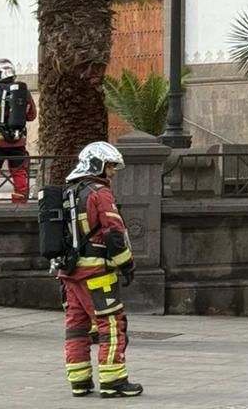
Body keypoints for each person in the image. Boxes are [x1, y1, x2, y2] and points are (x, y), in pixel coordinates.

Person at [58, 142, 142, 398]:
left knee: (76, 326)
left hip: (69, 273)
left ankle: (79, 381)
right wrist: (127, 264)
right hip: (97, 274)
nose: (113, 172)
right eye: (110, 166)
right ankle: (113, 380)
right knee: (112, 325)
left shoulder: (69, 192)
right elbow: (114, 233)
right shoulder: (99, 193)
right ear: (97, 165)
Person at [0, 58, 37, 203]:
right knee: (19, 172)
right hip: (18, 142)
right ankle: (20, 202)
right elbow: (31, 116)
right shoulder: (25, 93)